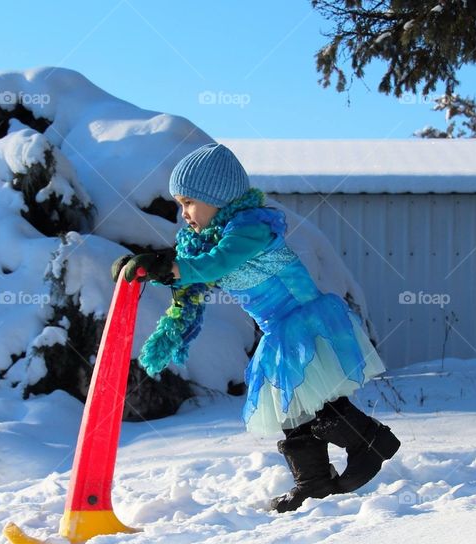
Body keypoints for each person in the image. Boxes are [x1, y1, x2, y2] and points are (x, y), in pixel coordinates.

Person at [111, 142, 399, 512]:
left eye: (188, 202)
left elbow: (215, 264)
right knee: (290, 409)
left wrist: (164, 267)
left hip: (302, 322)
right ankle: (312, 481)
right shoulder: (211, 238)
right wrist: (146, 267)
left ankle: (371, 441)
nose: (183, 214)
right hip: (278, 330)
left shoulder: (250, 229)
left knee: (318, 404)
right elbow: (190, 266)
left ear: (218, 197)